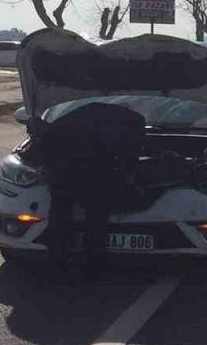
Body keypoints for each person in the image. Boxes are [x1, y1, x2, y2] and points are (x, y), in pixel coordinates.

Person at [39, 101, 145, 275]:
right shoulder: (135, 122)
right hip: (79, 158)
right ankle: (94, 260)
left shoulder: (92, 115)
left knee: (61, 207)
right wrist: (128, 178)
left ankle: (57, 256)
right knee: (96, 210)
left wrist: (48, 170)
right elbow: (130, 155)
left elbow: (46, 142)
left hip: (60, 154)